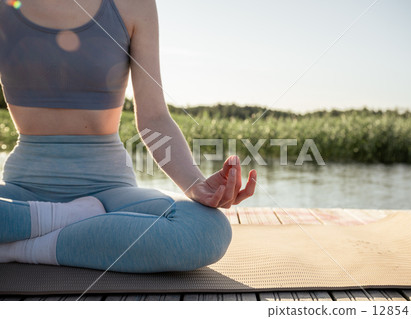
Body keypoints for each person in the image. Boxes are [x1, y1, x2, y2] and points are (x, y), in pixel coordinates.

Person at [0, 0, 257, 273]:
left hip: (108, 193)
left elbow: (154, 118)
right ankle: (66, 224)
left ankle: (19, 247)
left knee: (207, 230)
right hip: (24, 190)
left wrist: (195, 184)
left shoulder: (133, 6)